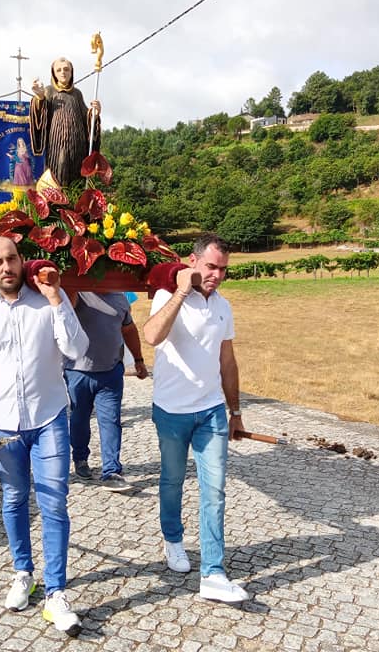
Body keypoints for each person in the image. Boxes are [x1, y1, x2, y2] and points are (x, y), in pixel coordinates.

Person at [0, 237, 88, 636]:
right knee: (14, 498)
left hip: (50, 419)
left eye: (11, 258)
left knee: (53, 502)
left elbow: (78, 349)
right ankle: (23, 572)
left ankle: (56, 592)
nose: (6, 267)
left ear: (22, 259)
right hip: (5, 426)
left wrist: (56, 298)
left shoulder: (48, 301)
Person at [143, 233, 249, 603]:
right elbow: (152, 335)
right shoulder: (167, 296)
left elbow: (227, 361)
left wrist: (235, 412)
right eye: (211, 266)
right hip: (171, 410)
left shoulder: (223, 306)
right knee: (172, 480)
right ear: (192, 262)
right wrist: (181, 291)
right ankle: (173, 539)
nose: (217, 275)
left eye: (223, 269)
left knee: (214, 490)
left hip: (211, 411)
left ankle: (213, 573)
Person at [64, 292, 148, 491]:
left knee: (111, 420)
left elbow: (128, 329)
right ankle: (80, 459)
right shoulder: (76, 293)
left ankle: (111, 471)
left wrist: (138, 359)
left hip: (111, 371)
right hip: (78, 371)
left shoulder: (120, 297)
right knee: (79, 418)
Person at [30, 57, 101, 187]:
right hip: (56, 145)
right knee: (57, 176)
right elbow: (40, 117)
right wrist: (40, 98)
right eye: (59, 70)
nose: (63, 72)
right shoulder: (49, 91)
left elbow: (86, 119)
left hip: (77, 146)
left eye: (66, 69)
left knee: (76, 179)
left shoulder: (77, 94)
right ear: (54, 73)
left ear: (71, 72)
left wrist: (94, 115)